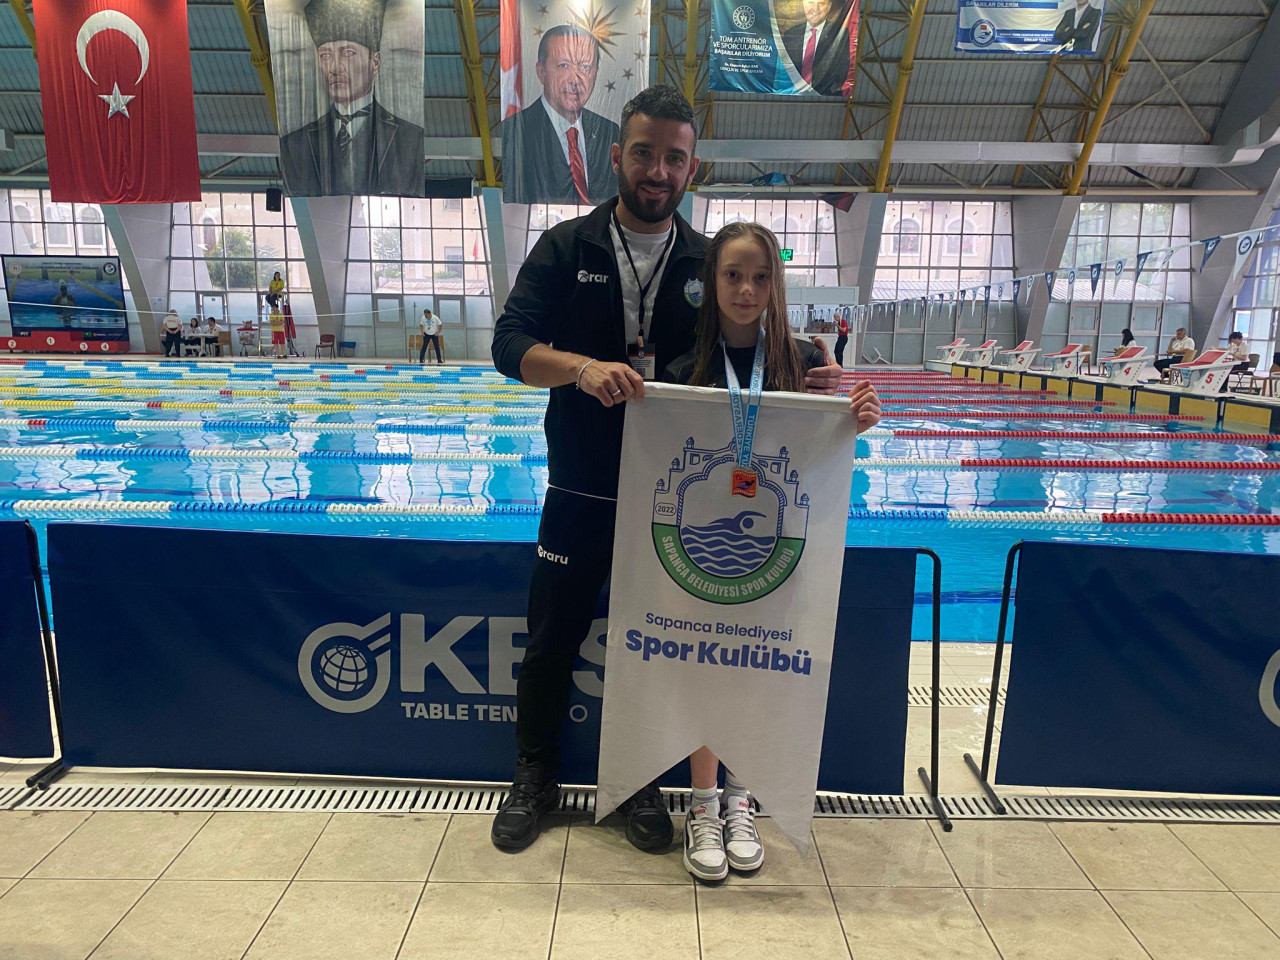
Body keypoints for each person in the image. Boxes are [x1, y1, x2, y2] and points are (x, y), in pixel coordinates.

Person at [489, 85, 845, 855]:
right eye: (645, 153)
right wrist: (581, 368)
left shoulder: (706, 261)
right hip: (581, 486)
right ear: (618, 155)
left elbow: (748, 347)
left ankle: (639, 787)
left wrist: (812, 378)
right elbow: (509, 345)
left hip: (674, 502)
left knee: (656, 645)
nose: (658, 170)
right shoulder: (567, 246)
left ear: (693, 167)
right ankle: (535, 778)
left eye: (674, 158)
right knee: (552, 640)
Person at [661, 221, 881, 881]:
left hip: (776, 548)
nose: (746, 290)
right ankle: (703, 804)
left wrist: (855, 416)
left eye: (760, 277)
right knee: (706, 670)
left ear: (776, 284)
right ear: (711, 281)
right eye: (733, 275)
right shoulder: (684, 367)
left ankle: (741, 799)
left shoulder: (808, 363)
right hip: (707, 553)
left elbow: (821, 453)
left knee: (758, 670)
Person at [278, 0, 426, 197]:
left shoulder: (409, 138)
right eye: (325, 55)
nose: (334, 67)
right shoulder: (295, 143)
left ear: (375, 63)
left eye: (347, 53)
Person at [500, 25, 620, 204]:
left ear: (595, 73)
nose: (575, 79)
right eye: (563, 66)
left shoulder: (608, 131)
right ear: (541, 72)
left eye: (585, 67)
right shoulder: (516, 131)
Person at [781, 0, 855, 97]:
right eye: (811, 2)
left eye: (821, 3)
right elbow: (783, 68)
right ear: (804, 5)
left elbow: (843, 71)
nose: (815, 8)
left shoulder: (840, 34)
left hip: (825, 98)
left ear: (829, 7)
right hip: (791, 95)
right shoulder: (790, 33)